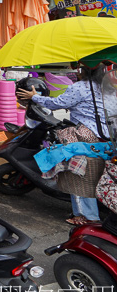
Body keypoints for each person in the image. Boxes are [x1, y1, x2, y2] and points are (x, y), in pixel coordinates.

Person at [18, 63, 117, 225]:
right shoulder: (110, 89)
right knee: (96, 174)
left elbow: (57, 104)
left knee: (77, 174)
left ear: (82, 72)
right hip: (108, 139)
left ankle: (86, 216)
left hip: (86, 137)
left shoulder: (80, 87)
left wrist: (33, 97)